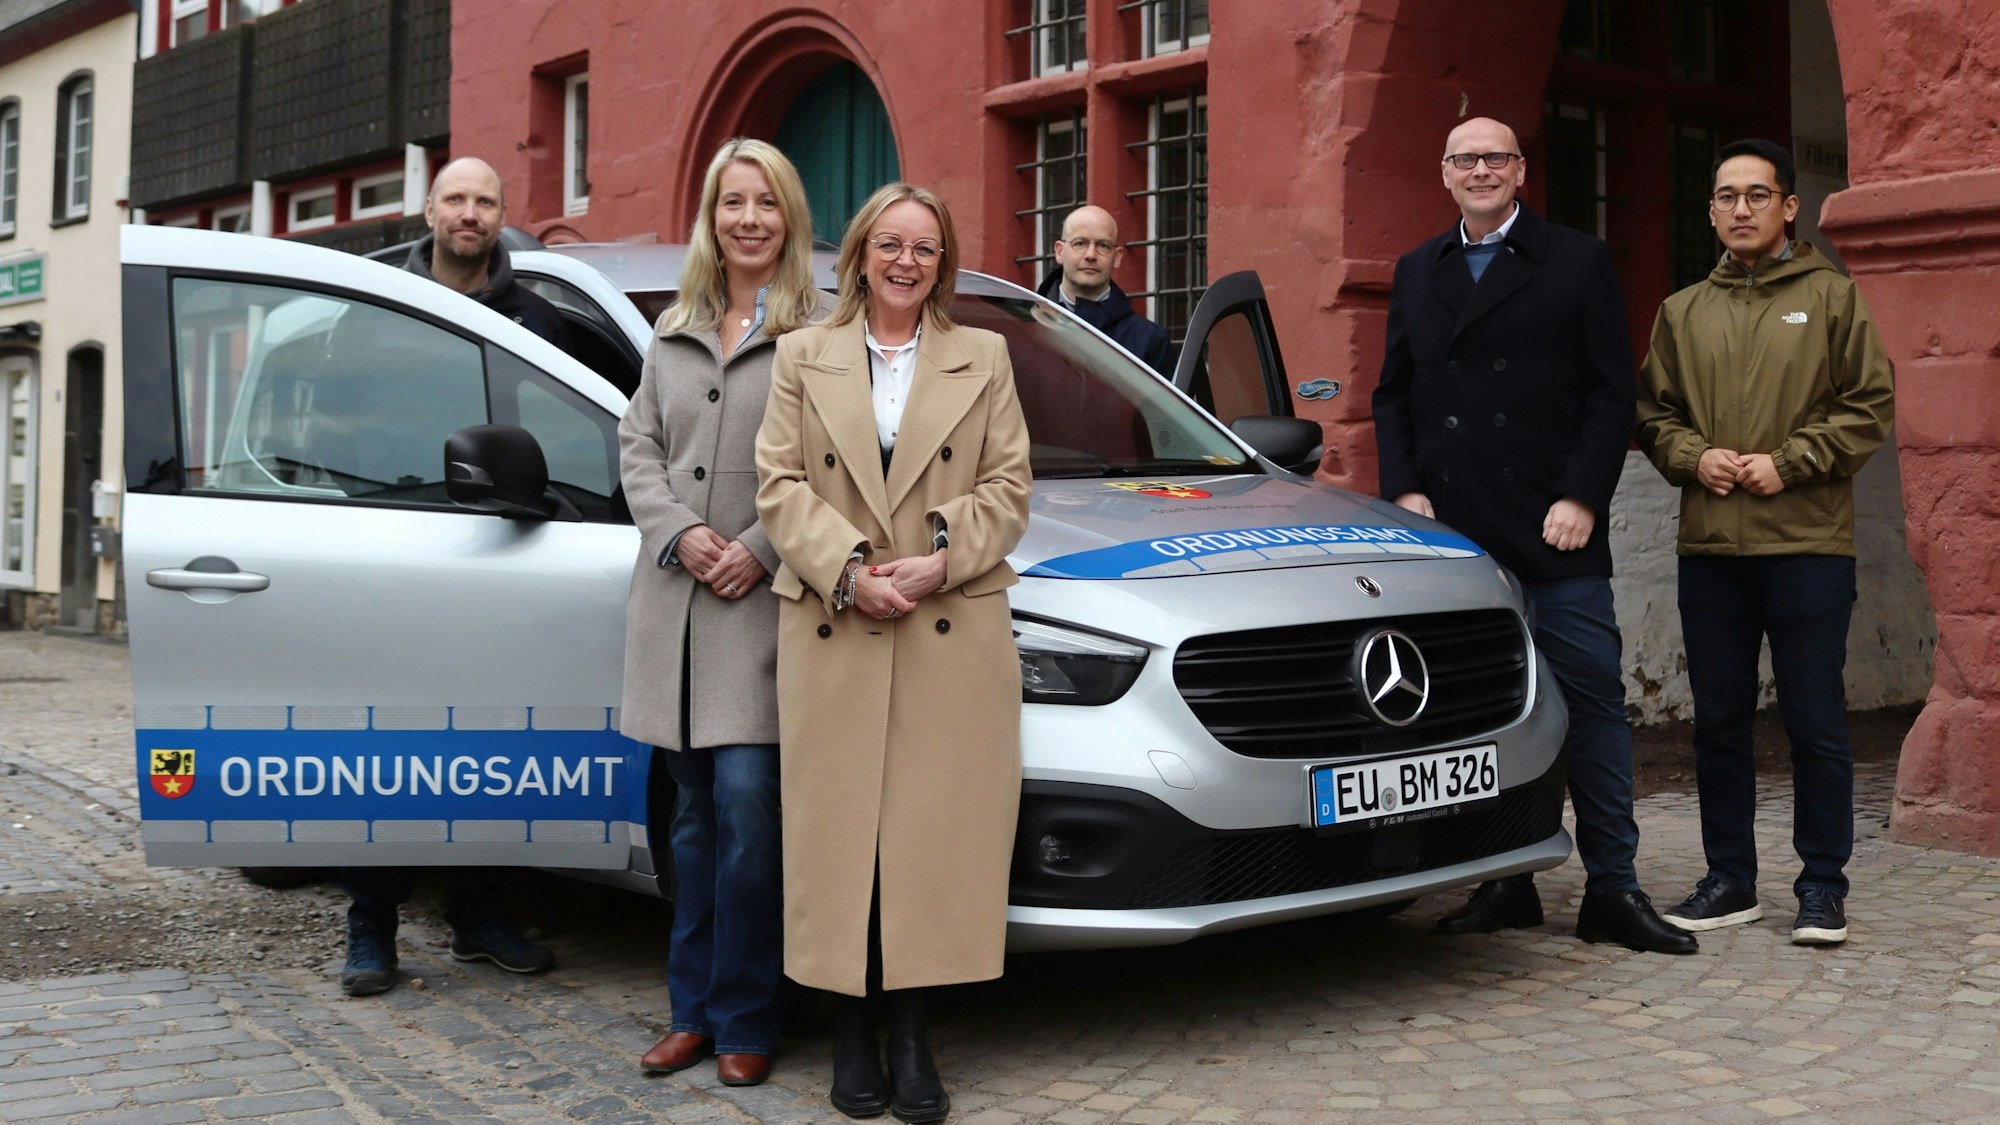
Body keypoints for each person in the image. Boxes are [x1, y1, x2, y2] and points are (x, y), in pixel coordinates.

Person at [1372, 116, 1695, 956]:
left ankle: (1613, 887)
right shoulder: (1417, 268)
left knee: (1590, 705)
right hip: (1456, 536)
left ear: (1520, 171)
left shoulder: (1576, 259)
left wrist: (1582, 495)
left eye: (1495, 158)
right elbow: (1394, 394)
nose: (1480, 169)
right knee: (1474, 715)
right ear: (1445, 173)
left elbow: (1610, 393)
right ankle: (1504, 878)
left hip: (1556, 529)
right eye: (1464, 159)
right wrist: (1404, 491)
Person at [756, 182, 1032, 1122]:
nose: (906, 261)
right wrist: (846, 569)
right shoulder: (803, 354)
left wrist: (943, 559)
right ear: (860, 255)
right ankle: (849, 1028)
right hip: (837, 621)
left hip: (944, 623)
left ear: (942, 262)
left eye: (924, 247)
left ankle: (912, 1035)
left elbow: (1009, 486)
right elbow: (778, 484)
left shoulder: (983, 355)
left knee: (928, 839)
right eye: (890, 244)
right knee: (840, 838)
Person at [1635, 137, 1895, 947]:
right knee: (1718, 724)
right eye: (1726, 196)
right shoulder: (1682, 311)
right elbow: (1652, 415)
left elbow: (1868, 406)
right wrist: (1694, 456)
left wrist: (1792, 461)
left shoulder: (1833, 299)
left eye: (1757, 195)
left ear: (1788, 207)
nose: (1741, 209)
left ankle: (1822, 887)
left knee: (1814, 723)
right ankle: (1730, 879)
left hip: (1808, 545)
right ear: (1710, 211)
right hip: (1713, 553)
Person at [622, 139, 826, 1087]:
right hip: (677, 608)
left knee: (749, 816)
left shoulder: (818, 333)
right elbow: (637, 446)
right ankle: (690, 1011)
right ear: (712, 217)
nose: (749, 219)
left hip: (761, 612)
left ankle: (748, 1012)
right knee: (692, 825)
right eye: (732, 202)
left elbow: (830, 467)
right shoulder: (675, 326)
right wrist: (679, 532)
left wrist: (759, 545)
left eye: (766, 202)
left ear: (790, 217)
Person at [337, 156, 567, 998]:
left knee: (491, 743)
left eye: (485, 201)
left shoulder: (537, 319)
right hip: (396, 546)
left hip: (501, 551)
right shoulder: (373, 310)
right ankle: (371, 926)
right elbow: (332, 427)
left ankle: (481, 917)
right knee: (388, 744)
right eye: (457, 199)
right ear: (429, 208)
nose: (470, 213)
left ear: (504, 214)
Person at [1034, 204, 1176, 375]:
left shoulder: (1149, 342)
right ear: (1059, 251)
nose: (1091, 255)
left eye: (1103, 246)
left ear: (1117, 257)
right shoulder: (1025, 326)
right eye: (1080, 243)